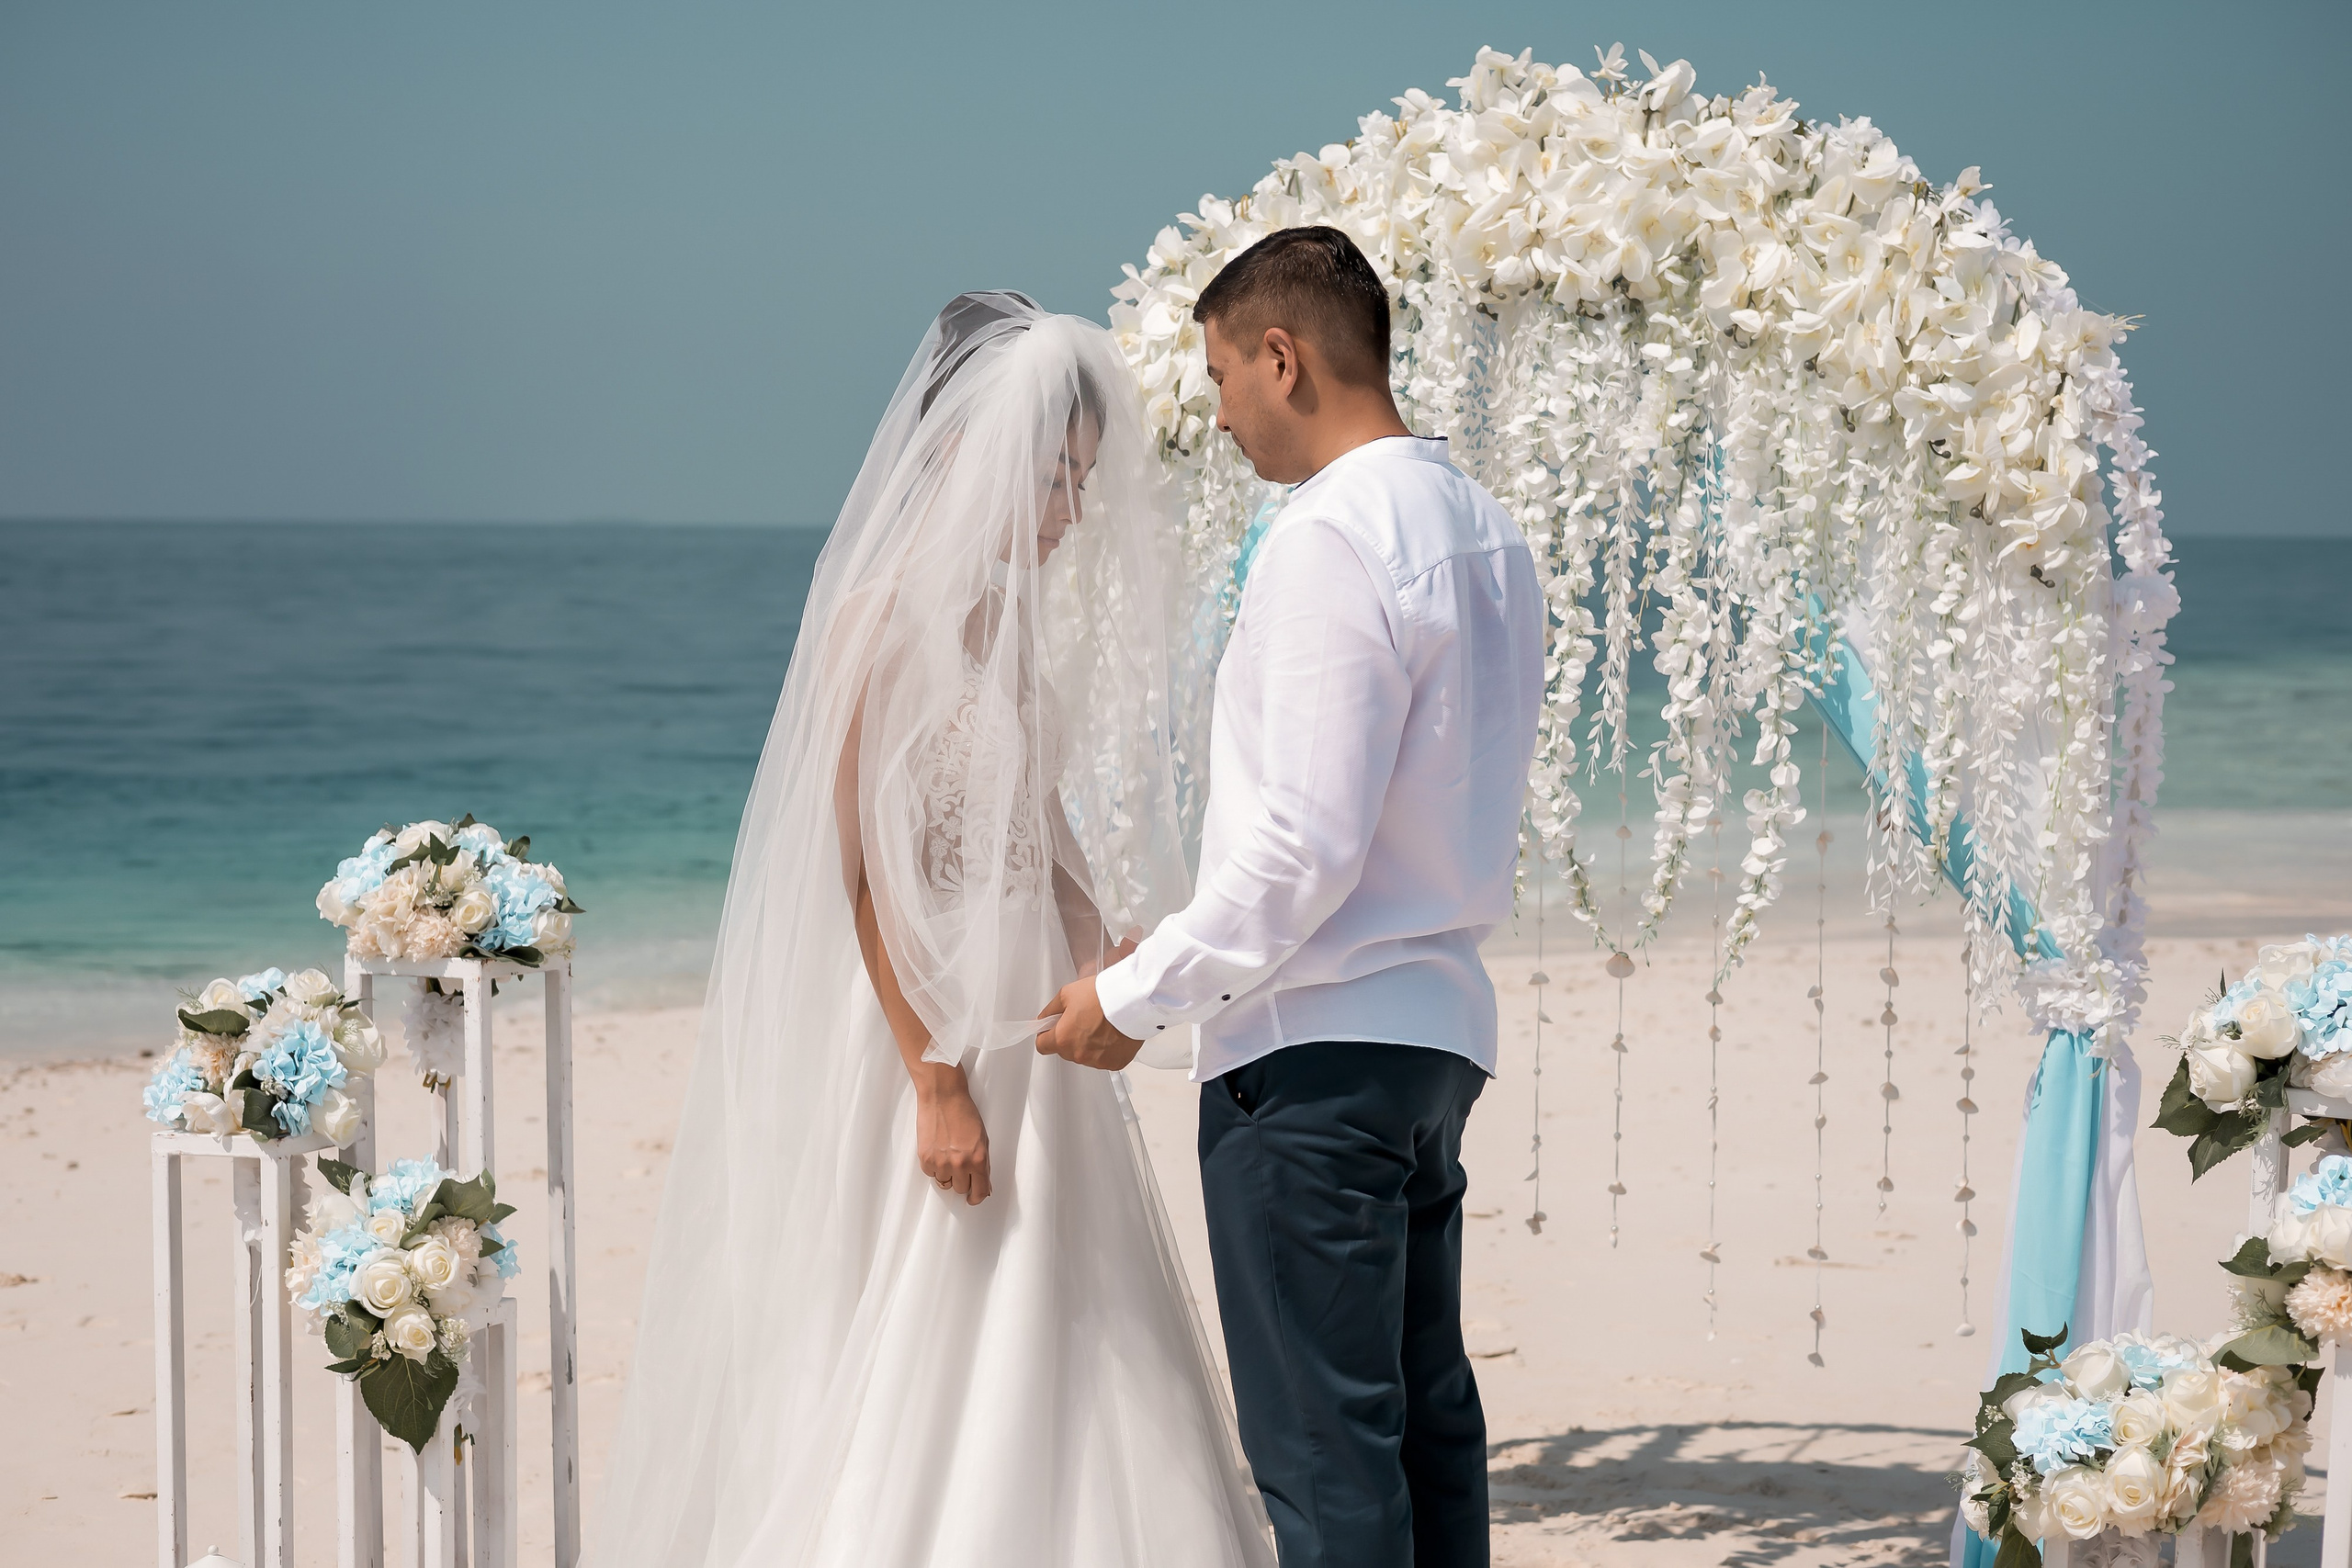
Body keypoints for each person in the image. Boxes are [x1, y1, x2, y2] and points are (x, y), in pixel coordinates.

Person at [593, 292, 1274, 1568]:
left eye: (1081, 479)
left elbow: (1037, 828)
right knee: (930, 1297)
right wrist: (934, 1079)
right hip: (922, 1018)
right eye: (1055, 480)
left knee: (1059, 1301)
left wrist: (1097, 944)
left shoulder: (1005, 627)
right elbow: (858, 876)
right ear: (965, 461)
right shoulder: (881, 619)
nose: (1074, 512)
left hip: (1030, 1016)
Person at [1037, 227, 1544, 1568]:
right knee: (1425, 1426)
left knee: (1324, 1458)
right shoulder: (1487, 533)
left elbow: (1300, 851)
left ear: (1284, 356)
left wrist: (1133, 997)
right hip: (1433, 1036)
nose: (1217, 412)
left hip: (1311, 1058)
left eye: (1220, 377)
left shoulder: (1332, 535)